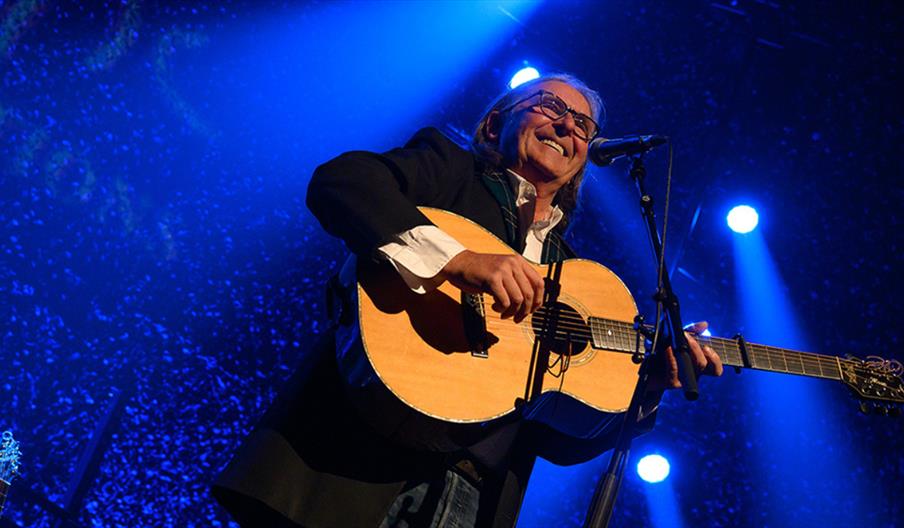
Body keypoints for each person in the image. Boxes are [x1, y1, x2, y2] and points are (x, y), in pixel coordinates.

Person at [213, 73, 723, 527]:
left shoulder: (573, 276)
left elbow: (559, 441)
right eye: (550, 106)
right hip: (351, 466)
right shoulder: (450, 169)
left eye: (584, 127)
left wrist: (650, 387)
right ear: (496, 121)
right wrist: (457, 259)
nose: (569, 127)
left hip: (474, 499)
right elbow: (341, 183)